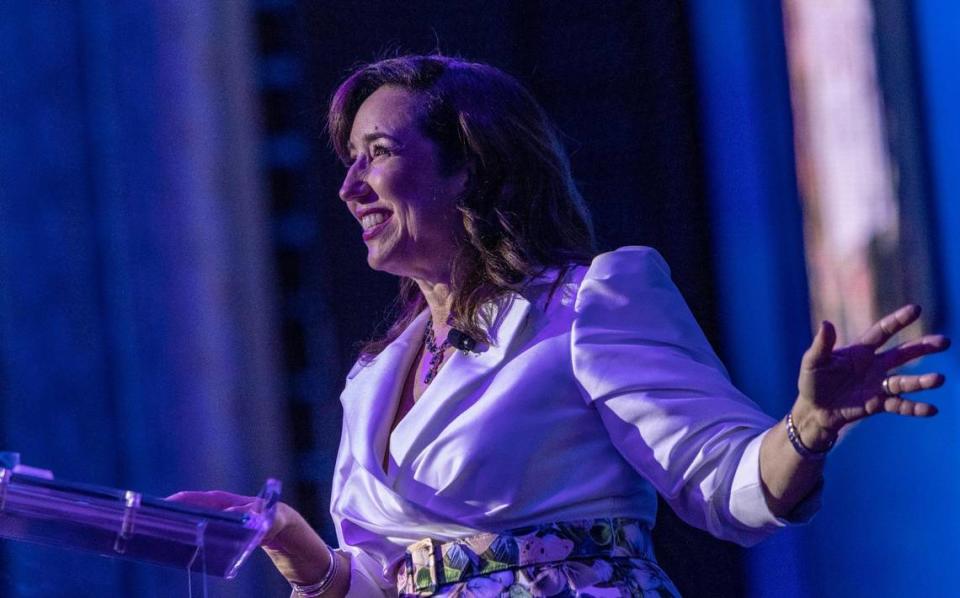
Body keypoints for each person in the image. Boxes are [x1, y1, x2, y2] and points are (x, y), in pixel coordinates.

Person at [171, 55, 950, 597]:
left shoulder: (589, 305)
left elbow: (725, 486)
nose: (349, 187)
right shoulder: (372, 380)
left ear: (470, 165)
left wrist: (807, 426)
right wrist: (288, 542)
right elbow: (376, 579)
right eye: (348, 160)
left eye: (376, 153)